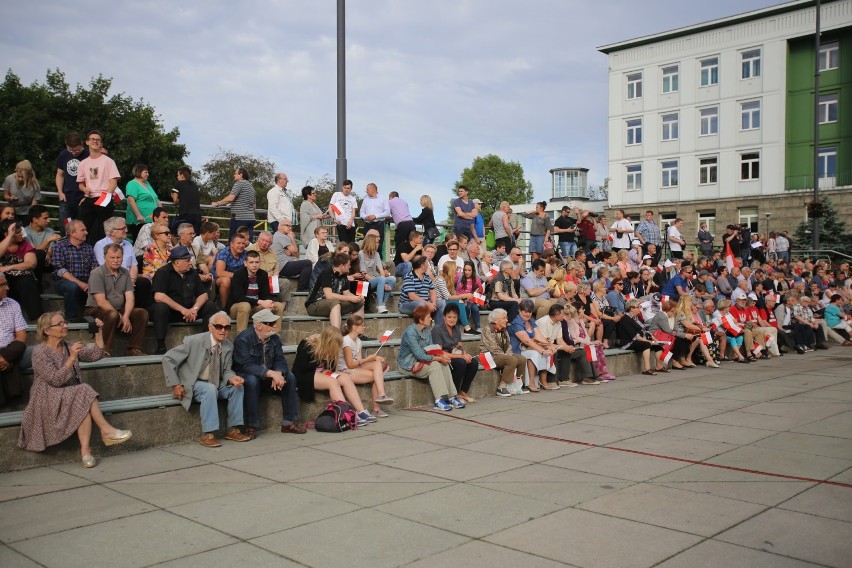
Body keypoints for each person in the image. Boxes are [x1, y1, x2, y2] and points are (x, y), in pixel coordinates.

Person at [163, 311, 252, 447]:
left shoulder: (228, 345)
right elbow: (168, 358)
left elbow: (227, 370)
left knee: (237, 387)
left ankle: (233, 430)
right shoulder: (194, 341)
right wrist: (176, 384)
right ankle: (208, 434)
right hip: (194, 383)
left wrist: (232, 378)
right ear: (210, 327)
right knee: (210, 388)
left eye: (226, 327)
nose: (223, 330)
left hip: (216, 382)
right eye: (219, 327)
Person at [233, 309, 306, 438]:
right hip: (249, 379)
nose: (275, 326)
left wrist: (278, 373)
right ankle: (252, 425)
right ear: (259, 325)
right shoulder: (243, 339)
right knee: (251, 380)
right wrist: (270, 373)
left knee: (290, 376)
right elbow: (245, 366)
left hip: (268, 379)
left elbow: (280, 360)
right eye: (271, 323)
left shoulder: (275, 339)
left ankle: (288, 422)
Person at [292, 326, 375, 426]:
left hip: (322, 372)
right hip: (306, 374)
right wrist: (321, 358)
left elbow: (331, 368)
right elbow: (301, 367)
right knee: (332, 382)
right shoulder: (307, 344)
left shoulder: (331, 348)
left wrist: (327, 366)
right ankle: (347, 414)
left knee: (345, 378)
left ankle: (361, 412)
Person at [151, 246, 219, 354]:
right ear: (177, 262)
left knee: (210, 306)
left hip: (190, 311)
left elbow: (203, 295)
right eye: (187, 260)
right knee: (160, 308)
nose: (190, 262)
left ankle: (208, 343)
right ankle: (161, 346)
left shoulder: (192, 273)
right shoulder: (163, 272)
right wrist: (182, 310)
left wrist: (195, 309)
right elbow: (159, 296)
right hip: (171, 311)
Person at [85, 243, 148, 357]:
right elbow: (101, 301)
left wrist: (126, 316)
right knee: (112, 314)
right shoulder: (96, 273)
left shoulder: (125, 272)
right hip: (96, 310)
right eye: (112, 257)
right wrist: (120, 316)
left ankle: (134, 348)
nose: (116, 260)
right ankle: (104, 351)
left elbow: (130, 298)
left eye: (118, 257)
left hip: (118, 309)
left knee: (141, 313)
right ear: (105, 257)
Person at [398, 304, 464, 411]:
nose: (431, 319)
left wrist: (443, 356)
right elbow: (420, 355)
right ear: (420, 320)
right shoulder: (410, 332)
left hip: (422, 361)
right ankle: (439, 400)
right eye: (428, 317)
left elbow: (431, 349)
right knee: (435, 365)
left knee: (444, 363)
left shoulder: (427, 330)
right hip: (408, 365)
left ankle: (451, 397)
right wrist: (438, 358)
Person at [338, 314, 395, 416]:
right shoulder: (346, 341)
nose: (364, 327)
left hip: (355, 367)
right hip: (345, 370)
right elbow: (350, 364)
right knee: (376, 377)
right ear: (354, 327)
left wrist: (374, 359)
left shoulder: (358, 340)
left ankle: (382, 395)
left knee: (377, 364)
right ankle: (377, 409)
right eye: (362, 325)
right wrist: (369, 359)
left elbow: (359, 361)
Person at [76, 130, 120, 244]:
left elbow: (113, 183)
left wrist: (105, 197)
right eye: (92, 139)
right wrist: (85, 189)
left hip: (104, 196)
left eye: (98, 140)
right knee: (84, 229)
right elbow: (80, 184)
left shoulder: (108, 161)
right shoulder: (83, 163)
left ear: (101, 143)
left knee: (103, 230)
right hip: (89, 197)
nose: (95, 141)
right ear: (87, 142)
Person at [430, 304, 478, 403]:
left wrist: (465, 354)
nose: (452, 319)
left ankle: (463, 392)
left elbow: (459, 345)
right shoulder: (437, 329)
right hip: (443, 357)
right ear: (444, 317)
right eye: (449, 317)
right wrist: (461, 356)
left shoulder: (457, 328)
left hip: (455, 354)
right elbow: (439, 352)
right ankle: (454, 394)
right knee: (461, 363)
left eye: (454, 317)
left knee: (473, 362)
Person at [51, 220, 98, 322]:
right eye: (83, 230)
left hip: (86, 281)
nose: (86, 232)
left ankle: (95, 317)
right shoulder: (59, 246)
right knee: (72, 286)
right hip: (63, 281)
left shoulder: (88, 248)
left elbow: (95, 268)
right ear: (72, 233)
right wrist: (80, 283)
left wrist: (91, 282)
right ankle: (71, 319)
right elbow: (59, 270)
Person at [227, 250, 284, 332]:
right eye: (251, 262)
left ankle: (276, 336)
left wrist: (268, 302)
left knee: (278, 305)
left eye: (257, 262)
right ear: (245, 263)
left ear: (260, 263)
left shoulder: (263, 274)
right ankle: (242, 337)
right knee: (245, 306)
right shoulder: (238, 274)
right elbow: (238, 297)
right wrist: (260, 301)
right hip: (238, 308)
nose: (254, 265)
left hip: (256, 307)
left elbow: (266, 294)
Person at [305, 251, 365, 328]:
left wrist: (357, 298)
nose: (350, 267)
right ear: (341, 266)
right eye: (348, 265)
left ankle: (358, 333)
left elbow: (347, 293)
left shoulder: (344, 276)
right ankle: (336, 335)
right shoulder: (326, 273)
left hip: (333, 303)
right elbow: (329, 296)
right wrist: (351, 298)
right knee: (335, 303)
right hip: (314, 304)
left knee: (359, 304)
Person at [508, 299, 555, 392]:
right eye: (525, 311)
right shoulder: (516, 323)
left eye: (530, 312)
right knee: (536, 353)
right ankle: (531, 382)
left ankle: (543, 380)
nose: (528, 314)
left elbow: (539, 336)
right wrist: (542, 350)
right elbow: (527, 341)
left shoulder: (532, 321)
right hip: (517, 351)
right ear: (519, 311)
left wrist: (550, 347)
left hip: (527, 349)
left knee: (546, 352)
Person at [0, 218, 42, 320]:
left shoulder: (25, 244)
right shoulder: (2, 244)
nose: (21, 235)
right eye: (17, 233)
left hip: (21, 279)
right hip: (4, 280)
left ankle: (37, 319)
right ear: (7, 234)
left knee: (27, 281)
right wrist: (10, 236)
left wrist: (7, 267)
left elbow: (30, 263)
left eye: (21, 232)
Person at [479, 309, 526, 397]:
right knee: (512, 360)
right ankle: (501, 387)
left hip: (502, 355)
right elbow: (493, 348)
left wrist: (508, 353)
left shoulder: (504, 330)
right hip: (489, 356)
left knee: (522, 359)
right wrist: (507, 355)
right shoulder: (487, 329)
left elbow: (508, 345)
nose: (506, 320)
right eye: (504, 318)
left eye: (506, 318)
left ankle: (518, 384)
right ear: (496, 320)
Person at [617, 299, 666, 375]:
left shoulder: (637, 318)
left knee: (658, 345)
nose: (639, 309)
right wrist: (647, 341)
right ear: (631, 308)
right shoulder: (625, 319)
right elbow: (634, 336)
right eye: (638, 307)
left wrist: (654, 339)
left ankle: (659, 366)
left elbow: (644, 330)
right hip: (629, 342)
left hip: (639, 340)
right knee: (646, 344)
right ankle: (647, 369)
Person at [0, 273, 28, 406]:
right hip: (10, 355)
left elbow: (21, 336)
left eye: (6, 284)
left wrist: (5, 357)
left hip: (12, 350)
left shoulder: (13, 304)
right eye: (2, 285)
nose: (7, 288)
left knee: (42, 351)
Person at [566, 305, 613, 383]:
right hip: (578, 344)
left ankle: (601, 373)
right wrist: (589, 343)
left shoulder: (581, 321)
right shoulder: (571, 323)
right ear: (576, 313)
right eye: (581, 311)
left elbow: (586, 335)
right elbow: (575, 338)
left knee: (598, 346)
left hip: (585, 342)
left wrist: (591, 342)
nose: (583, 312)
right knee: (590, 348)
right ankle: (591, 376)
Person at [55, 132, 89, 234]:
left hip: (82, 199)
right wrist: (60, 192)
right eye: (71, 150)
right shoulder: (64, 154)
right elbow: (59, 174)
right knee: (65, 226)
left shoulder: (88, 155)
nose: (73, 153)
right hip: (66, 198)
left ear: (81, 144)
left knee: (82, 228)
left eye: (76, 150)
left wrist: (87, 195)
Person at [213, 167, 257, 241]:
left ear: (241, 175)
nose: (234, 175)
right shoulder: (251, 187)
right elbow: (254, 206)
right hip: (251, 219)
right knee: (247, 244)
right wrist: (233, 204)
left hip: (240, 219)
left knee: (234, 243)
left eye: (235, 173)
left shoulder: (239, 183)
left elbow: (230, 198)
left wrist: (218, 203)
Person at [271, 219, 312, 291]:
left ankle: (304, 287)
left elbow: (294, 254)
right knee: (307, 263)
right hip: (282, 266)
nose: (290, 228)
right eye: (287, 226)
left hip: (283, 264)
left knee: (304, 264)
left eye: (291, 226)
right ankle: (301, 289)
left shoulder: (279, 235)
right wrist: (292, 238)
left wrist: (291, 253)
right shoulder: (281, 236)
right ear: (280, 226)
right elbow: (296, 252)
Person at [360, 233, 395, 313]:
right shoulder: (361, 254)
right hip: (366, 281)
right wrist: (382, 281)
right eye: (377, 242)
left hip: (376, 278)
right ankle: (379, 305)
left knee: (392, 279)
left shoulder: (376, 254)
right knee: (381, 279)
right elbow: (364, 274)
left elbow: (381, 270)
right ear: (371, 243)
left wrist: (384, 281)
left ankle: (383, 303)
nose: (379, 244)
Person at [125, 164, 160, 241]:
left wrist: (161, 211)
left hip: (151, 219)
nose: (148, 174)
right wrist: (138, 215)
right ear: (139, 172)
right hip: (141, 220)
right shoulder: (132, 184)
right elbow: (131, 200)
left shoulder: (147, 183)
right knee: (140, 241)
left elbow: (155, 198)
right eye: (146, 172)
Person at [213, 232, 248, 307]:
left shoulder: (245, 254)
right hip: (219, 280)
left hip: (237, 280)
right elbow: (219, 272)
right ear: (232, 244)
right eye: (238, 243)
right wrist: (237, 276)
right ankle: (224, 307)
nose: (241, 246)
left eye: (243, 243)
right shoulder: (224, 253)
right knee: (226, 280)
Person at [4, 159, 41, 225]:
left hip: (27, 212)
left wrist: (30, 216)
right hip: (12, 211)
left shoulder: (35, 183)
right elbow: (5, 195)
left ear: (29, 175)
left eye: (23, 177)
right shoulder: (9, 179)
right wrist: (10, 198)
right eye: (18, 176)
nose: (20, 179)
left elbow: (34, 203)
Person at [170, 166, 202, 235]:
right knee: (195, 236)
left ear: (182, 176)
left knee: (172, 231)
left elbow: (175, 201)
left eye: (178, 175)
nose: (177, 177)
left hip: (185, 215)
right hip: (197, 216)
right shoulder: (195, 185)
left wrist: (177, 198)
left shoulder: (179, 184)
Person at [359, 182, 390, 254]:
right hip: (367, 225)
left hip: (378, 225)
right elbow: (361, 212)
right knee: (366, 245)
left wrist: (375, 216)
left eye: (367, 189)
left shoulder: (383, 199)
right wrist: (365, 217)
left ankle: (378, 264)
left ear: (373, 189)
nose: (366, 191)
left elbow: (387, 212)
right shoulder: (365, 199)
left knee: (378, 246)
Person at [330, 179, 358, 245]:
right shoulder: (336, 195)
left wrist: (351, 221)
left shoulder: (353, 198)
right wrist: (334, 219)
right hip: (341, 224)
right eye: (345, 187)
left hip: (351, 224)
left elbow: (353, 212)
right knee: (344, 245)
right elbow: (331, 207)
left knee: (351, 245)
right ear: (342, 187)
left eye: (348, 188)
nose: (346, 190)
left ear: (351, 189)